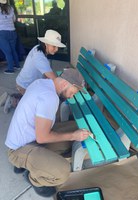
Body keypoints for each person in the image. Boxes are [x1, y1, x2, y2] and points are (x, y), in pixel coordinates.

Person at [5, 68, 90, 197]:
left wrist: (72, 135)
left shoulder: (42, 83)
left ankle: (33, 162)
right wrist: (73, 136)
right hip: (18, 149)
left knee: (74, 128)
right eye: (74, 92)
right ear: (67, 84)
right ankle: (34, 178)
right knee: (62, 172)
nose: (72, 96)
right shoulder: (50, 98)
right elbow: (42, 137)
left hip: (29, 138)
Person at [1, 29, 66, 113]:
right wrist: (65, 88)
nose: (56, 49)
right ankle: (12, 100)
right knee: (34, 107)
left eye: (58, 46)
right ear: (46, 43)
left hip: (24, 82)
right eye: (54, 46)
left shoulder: (37, 48)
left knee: (45, 88)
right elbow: (54, 79)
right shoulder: (40, 58)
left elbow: (47, 75)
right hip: (24, 85)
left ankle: (15, 96)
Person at [0, 0, 20, 74]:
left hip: (2, 33)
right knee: (13, 50)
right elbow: (14, 19)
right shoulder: (11, 8)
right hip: (12, 31)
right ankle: (17, 65)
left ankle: (10, 69)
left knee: (7, 52)